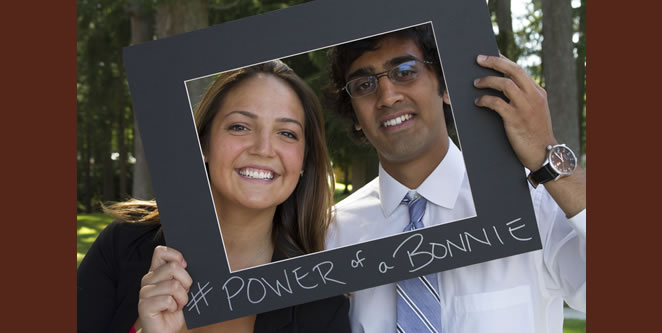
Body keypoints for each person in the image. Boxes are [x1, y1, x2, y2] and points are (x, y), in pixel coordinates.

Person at [325, 25, 586, 332]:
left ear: (446, 85)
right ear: (354, 114)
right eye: (364, 84)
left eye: (405, 71)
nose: (387, 96)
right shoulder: (332, 235)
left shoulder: (533, 204)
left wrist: (548, 157)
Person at [77, 60, 351, 333]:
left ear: (304, 161)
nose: (264, 149)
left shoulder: (321, 305)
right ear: (204, 144)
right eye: (240, 127)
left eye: (287, 133)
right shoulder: (122, 245)